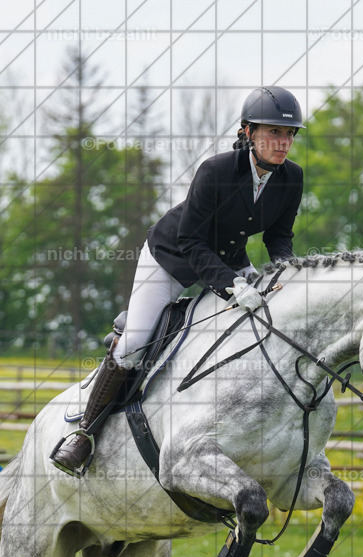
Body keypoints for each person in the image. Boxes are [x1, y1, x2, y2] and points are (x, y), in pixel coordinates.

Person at [51, 86, 306, 477]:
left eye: (289, 134)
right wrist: (232, 286)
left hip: (228, 260)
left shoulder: (292, 178)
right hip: (171, 257)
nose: (283, 142)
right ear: (248, 132)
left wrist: (287, 272)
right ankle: (84, 433)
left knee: (266, 319)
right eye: (274, 132)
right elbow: (190, 240)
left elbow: (279, 237)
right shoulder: (216, 171)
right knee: (135, 343)